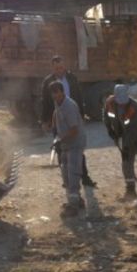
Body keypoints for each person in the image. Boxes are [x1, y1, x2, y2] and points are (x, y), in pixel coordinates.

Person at [40, 55, 97, 188]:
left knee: (77, 150)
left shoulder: (72, 78)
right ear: (52, 68)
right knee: (61, 149)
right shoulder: (48, 82)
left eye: (61, 67)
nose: (59, 70)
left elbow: (79, 96)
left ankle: (85, 178)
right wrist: (45, 120)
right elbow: (45, 103)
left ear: (64, 66)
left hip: (72, 118)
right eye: (56, 68)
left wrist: (82, 115)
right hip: (57, 120)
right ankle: (67, 179)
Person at [102, 84, 137, 201]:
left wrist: (126, 147)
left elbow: (133, 131)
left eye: (124, 101)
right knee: (126, 162)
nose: (122, 104)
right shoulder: (110, 103)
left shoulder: (135, 108)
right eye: (119, 101)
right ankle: (131, 190)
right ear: (115, 97)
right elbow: (107, 116)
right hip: (125, 134)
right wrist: (110, 130)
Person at [49, 81, 87, 217]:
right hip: (65, 143)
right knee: (65, 172)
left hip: (75, 143)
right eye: (53, 95)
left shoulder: (69, 106)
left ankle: (73, 207)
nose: (55, 97)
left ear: (62, 92)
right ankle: (77, 200)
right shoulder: (57, 102)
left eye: (57, 94)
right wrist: (54, 128)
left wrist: (60, 140)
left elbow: (74, 130)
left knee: (73, 173)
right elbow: (56, 112)